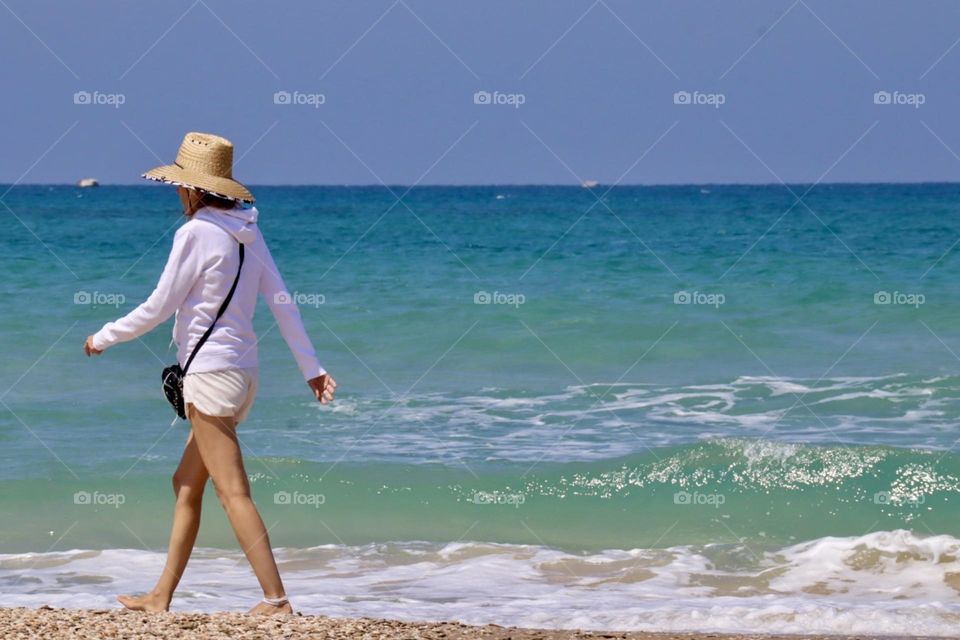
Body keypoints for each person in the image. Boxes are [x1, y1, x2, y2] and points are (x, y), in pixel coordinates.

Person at [83, 131, 336, 615]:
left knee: (233, 491)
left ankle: (277, 600)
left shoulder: (195, 232)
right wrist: (312, 368)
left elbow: (160, 306)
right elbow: (282, 303)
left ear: (195, 189)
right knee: (185, 482)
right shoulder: (249, 231)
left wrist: (103, 337)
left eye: (180, 187)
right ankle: (160, 596)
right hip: (243, 376)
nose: (178, 195)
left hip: (211, 376)